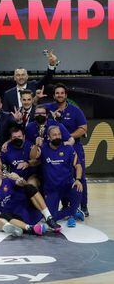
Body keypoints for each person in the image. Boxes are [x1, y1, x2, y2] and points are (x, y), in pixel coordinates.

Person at [46, 83, 89, 216]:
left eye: (62, 93)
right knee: (62, 176)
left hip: (73, 146)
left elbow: (83, 128)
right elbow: (36, 111)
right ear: (54, 96)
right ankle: (66, 206)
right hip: (56, 148)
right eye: (57, 93)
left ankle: (83, 206)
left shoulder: (75, 110)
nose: (59, 95)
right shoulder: (49, 109)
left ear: (66, 95)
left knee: (79, 175)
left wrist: (69, 137)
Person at [30, 126, 84, 227]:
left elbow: (78, 166)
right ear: (49, 137)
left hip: (67, 185)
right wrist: (36, 145)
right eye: (54, 135)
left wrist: (78, 179)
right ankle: (73, 212)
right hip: (51, 189)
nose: (57, 137)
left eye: (59, 134)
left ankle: (72, 212)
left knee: (78, 187)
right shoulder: (43, 148)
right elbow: (32, 157)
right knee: (52, 218)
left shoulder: (68, 148)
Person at [0, 164, 61, 234]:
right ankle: (30, 229)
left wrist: (18, 179)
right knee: (3, 216)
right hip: (20, 220)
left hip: (32, 211)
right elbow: (0, 219)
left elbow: (22, 183)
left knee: (29, 187)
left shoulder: (9, 180)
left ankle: (48, 218)